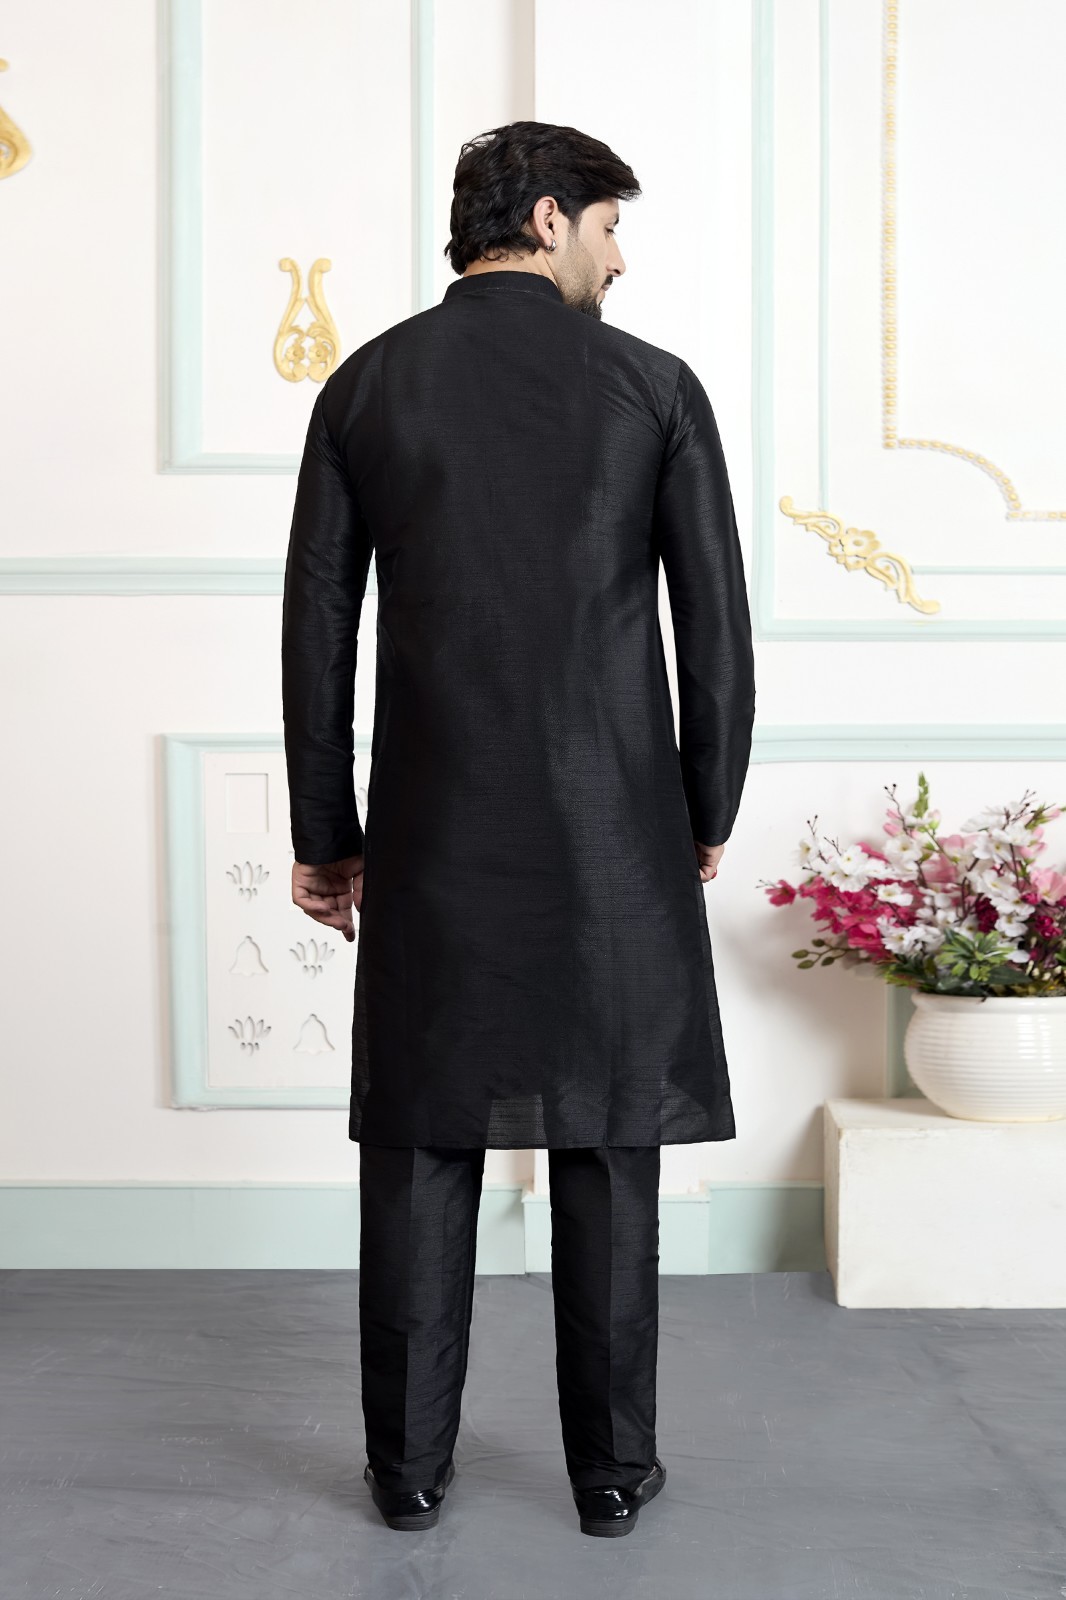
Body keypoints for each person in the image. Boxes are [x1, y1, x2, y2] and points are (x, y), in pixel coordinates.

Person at [281, 120, 756, 1538]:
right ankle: (609, 1473)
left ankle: (405, 1471)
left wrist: (328, 833)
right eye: (610, 228)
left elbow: (318, 632)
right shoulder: (651, 385)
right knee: (608, 1136)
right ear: (549, 219)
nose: (618, 258)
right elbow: (716, 636)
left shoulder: (366, 385)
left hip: (433, 836)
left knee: (421, 1141)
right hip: (615, 829)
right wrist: (704, 808)